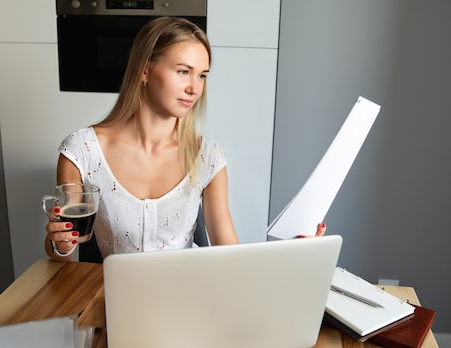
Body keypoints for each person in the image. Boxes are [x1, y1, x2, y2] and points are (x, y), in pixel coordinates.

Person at [45, 16, 325, 261]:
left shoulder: (208, 157)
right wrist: (58, 244)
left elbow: (232, 256)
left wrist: (295, 253)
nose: (194, 88)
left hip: (190, 299)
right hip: (118, 301)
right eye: (183, 71)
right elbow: (64, 254)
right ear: (145, 70)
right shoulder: (82, 151)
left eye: (202, 76)